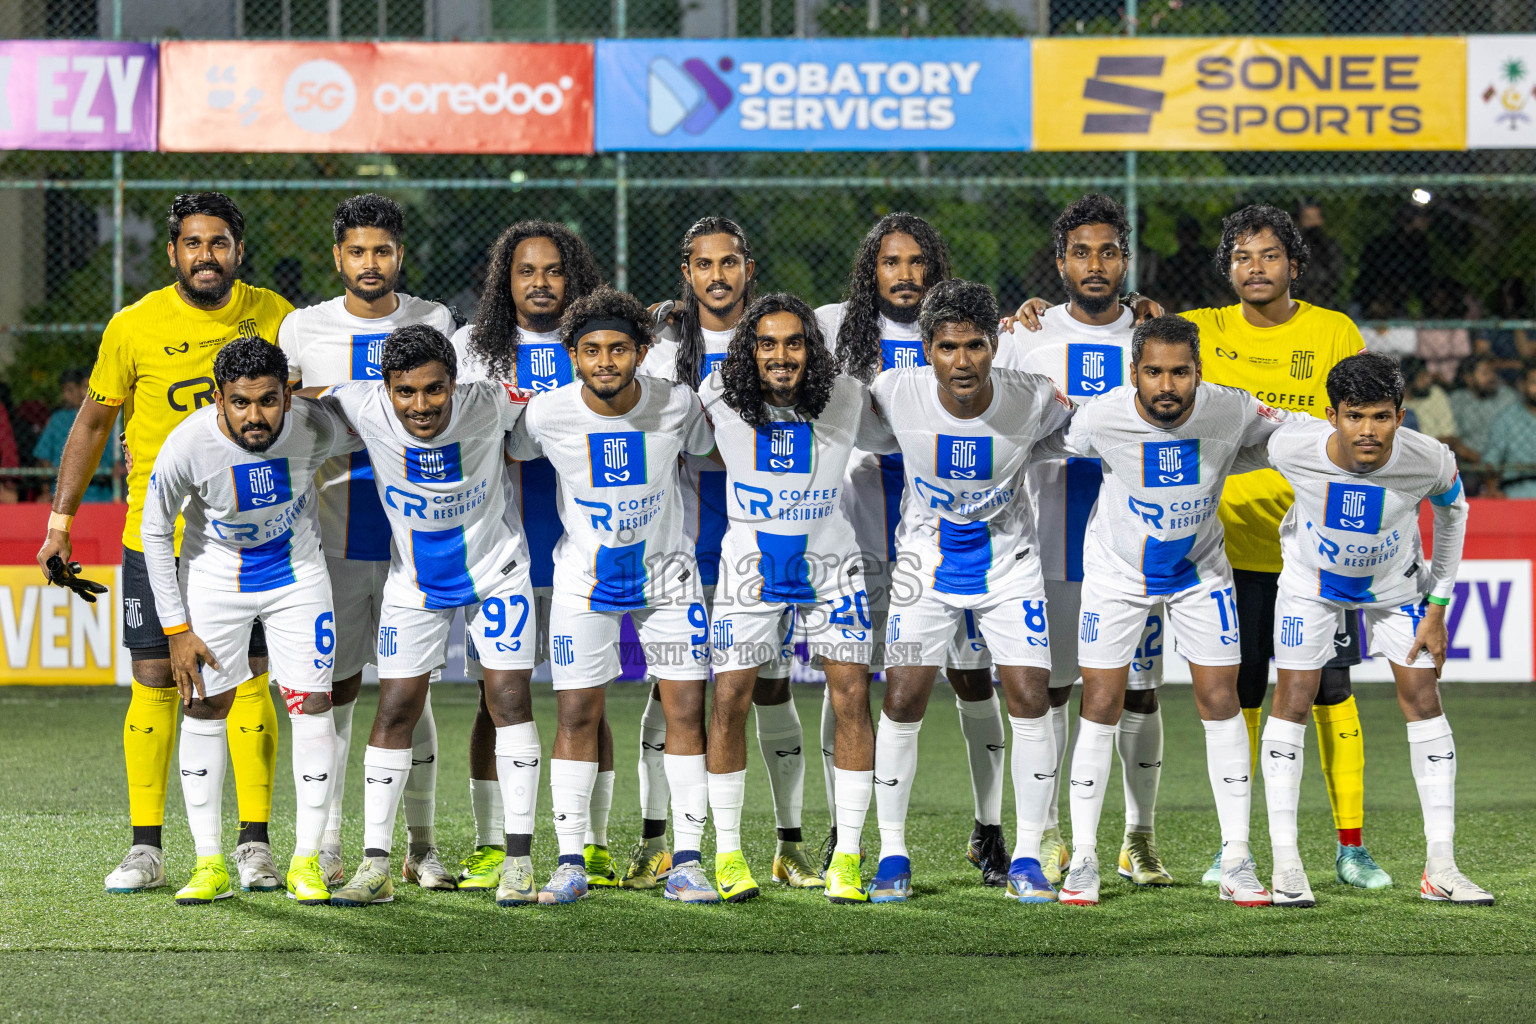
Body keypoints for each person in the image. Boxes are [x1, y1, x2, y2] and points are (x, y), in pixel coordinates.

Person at [37, 193, 293, 895]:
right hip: (157, 540)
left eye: (219, 243)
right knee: (154, 681)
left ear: (238, 249)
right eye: (193, 243)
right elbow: (91, 424)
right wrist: (60, 522)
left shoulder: (277, 317)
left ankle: (254, 846)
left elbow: (308, 411)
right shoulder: (134, 325)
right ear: (173, 252)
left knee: (248, 679)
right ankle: (146, 849)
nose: (206, 255)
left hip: (250, 538)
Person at [1179, 205, 1382, 888]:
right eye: (1241, 256)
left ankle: (1350, 847)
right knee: (1241, 692)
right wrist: (1027, 315)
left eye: (1268, 255)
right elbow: (1129, 333)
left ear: (1294, 263)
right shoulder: (1203, 329)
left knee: (1329, 690)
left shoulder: (1333, 332)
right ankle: (1237, 845)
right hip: (1226, 549)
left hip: (1316, 553)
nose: (1254, 267)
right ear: (1227, 267)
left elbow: (1361, 429)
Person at [1056, 314, 1284, 907]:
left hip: (1199, 570)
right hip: (1115, 573)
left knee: (1220, 700)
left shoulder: (1230, 409)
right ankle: (1084, 858)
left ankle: (1237, 855)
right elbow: (1064, 445)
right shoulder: (1102, 416)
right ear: (1133, 373)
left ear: (1198, 371)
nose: (1166, 385)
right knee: (1101, 702)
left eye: (1179, 372)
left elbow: (1282, 435)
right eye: (1153, 372)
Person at [817, 213, 1013, 887]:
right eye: (890, 262)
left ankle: (989, 828)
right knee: (849, 681)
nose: (904, 275)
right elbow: (756, 337)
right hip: (856, 530)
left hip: (946, 537)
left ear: (937, 268)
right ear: (870, 269)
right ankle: (846, 833)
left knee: (969, 677)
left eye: (916, 262)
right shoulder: (832, 325)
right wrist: (672, 318)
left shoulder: (966, 331)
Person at [861, 280, 1072, 905]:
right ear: (927, 349)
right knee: (902, 698)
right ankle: (893, 855)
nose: (963, 362)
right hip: (923, 565)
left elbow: (1080, 433)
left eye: (976, 346)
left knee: (1032, 696)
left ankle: (1030, 856)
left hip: (1010, 565)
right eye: (948, 348)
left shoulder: (1033, 397)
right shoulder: (893, 391)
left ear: (993, 346)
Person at [314, 324, 539, 908]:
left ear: (455, 383)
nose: (421, 405)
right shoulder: (360, 403)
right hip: (413, 581)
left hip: (498, 572)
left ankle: (519, 861)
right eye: (406, 391)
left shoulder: (490, 400)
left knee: (510, 700)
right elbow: (295, 408)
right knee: (394, 707)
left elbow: (559, 404)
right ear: (384, 386)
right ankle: (377, 865)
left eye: (434, 390)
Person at [627, 217, 820, 891]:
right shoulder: (661, 347)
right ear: (687, 271)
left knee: (768, 684)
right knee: (672, 688)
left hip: (755, 536)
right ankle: (660, 839)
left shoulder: (776, 336)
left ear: (748, 266)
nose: (718, 275)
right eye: (705, 264)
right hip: (678, 536)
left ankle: (788, 842)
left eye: (730, 262)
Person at [508, 287, 718, 904]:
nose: (606, 361)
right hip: (582, 581)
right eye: (593, 350)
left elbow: (704, 449)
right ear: (573, 355)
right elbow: (513, 450)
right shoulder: (547, 414)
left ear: (641, 352)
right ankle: (570, 861)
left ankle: (686, 862)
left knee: (684, 711)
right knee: (576, 716)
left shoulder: (676, 403)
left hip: (669, 579)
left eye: (619, 349)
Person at [1259, 351, 1491, 906]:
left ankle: (1441, 866)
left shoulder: (1428, 459)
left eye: (1381, 416)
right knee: (1293, 699)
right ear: (1331, 414)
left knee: (1423, 697)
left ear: (1401, 415)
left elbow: (1455, 512)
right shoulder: (1290, 446)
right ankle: (1287, 866)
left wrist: (1437, 604)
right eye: (1355, 415)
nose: (1368, 430)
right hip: (1309, 588)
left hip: (1395, 591)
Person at [278, 194, 459, 891]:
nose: (370, 263)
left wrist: (339, 394)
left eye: (382, 250)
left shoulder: (433, 321)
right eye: (357, 251)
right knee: (337, 687)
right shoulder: (302, 327)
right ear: (338, 258)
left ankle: (421, 845)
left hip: (416, 534)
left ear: (399, 255)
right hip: (335, 532)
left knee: (411, 691)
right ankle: (325, 842)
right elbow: (290, 412)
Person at [997, 194, 1170, 889]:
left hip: (1138, 541)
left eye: (1108, 251)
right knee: (1057, 691)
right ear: (1060, 261)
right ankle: (1049, 834)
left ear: (1124, 259)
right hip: (1052, 540)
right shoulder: (1026, 337)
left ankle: (1139, 838)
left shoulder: (1154, 335)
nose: (1094, 264)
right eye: (1081, 252)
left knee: (1142, 691)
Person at [140, 339, 352, 906]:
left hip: (297, 578)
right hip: (215, 581)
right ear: (218, 398)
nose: (255, 416)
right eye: (240, 403)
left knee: (312, 706)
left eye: (267, 401)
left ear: (287, 393)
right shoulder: (187, 444)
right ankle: (208, 862)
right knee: (206, 707)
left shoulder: (314, 424)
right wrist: (176, 629)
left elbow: (379, 421)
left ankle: (306, 861)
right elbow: (155, 531)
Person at [699, 292, 889, 904]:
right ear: (749, 352)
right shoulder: (717, 399)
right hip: (748, 568)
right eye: (767, 343)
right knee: (729, 697)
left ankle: (850, 858)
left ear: (812, 348)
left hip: (831, 565)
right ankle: (728, 854)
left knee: (853, 695)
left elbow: (908, 420)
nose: (781, 355)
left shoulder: (848, 396)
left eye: (794, 342)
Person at [449, 219, 607, 893]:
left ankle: (592, 845)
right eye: (526, 271)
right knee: (496, 698)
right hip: (499, 549)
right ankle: (492, 843)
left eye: (552, 270)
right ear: (504, 281)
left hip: (584, 550)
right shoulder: (473, 349)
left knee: (585, 700)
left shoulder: (597, 344)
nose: (540, 283)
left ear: (573, 277)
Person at [33, 369, 116, 503]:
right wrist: (45, 490)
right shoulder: (58, 420)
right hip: (61, 495)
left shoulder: (110, 420)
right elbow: (43, 459)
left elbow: (116, 464)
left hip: (100, 497)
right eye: (85, 388)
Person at [1447, 353, 1518, 463]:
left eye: (1492, 372)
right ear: (1468, 379)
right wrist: (1482, 462)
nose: (1491, 377)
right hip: (1469, 461)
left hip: (1505, 461)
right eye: (1485, 373)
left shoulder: (1507, 397)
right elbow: (1453, 440)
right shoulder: (1457, 400)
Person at [1482, 361, 1536, 498]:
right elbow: (1490, 462)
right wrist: (1491, 489)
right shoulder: (1505, 419)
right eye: (1534, 382)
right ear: (1522, 385)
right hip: (1516, 491)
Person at [1292, 200, 1345, 310]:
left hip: (1325, 297)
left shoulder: (1330, 246)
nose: (1312, 224)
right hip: (1298, 297)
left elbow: (1337, 272)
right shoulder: (1291, 247)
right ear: (1299, 221)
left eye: (1315, 218)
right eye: (1307, 218)